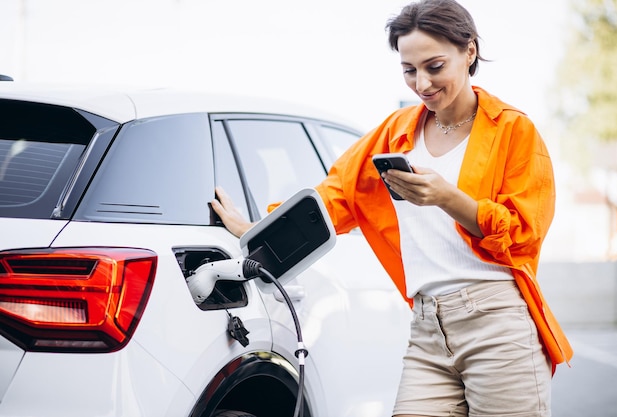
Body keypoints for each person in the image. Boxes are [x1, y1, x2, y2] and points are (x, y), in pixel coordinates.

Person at [212, 0, 573, 416]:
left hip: (496, 322)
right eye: (409, 70)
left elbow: (524, 233)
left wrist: (446, 198)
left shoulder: (513, 129)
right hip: (427, 330)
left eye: (434, 66)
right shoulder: (395, 133)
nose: (421, 83)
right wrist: (257, 229)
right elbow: (335, 197)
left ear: (469, 51)